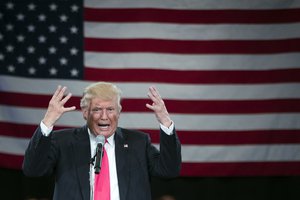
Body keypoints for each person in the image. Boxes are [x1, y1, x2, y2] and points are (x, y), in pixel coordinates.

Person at [23, 82, 181, 200]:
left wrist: (166, 122)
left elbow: (169, 170)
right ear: (85, 112)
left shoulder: (138, 142)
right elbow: (33, 170)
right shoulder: (63, 141)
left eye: (110, 109)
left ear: (118, 112)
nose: (104, 116)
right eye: (97, 109)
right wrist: (47, 122)